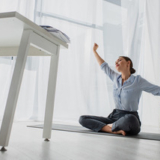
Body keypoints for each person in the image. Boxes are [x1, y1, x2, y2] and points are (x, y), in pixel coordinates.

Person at [79, 43, 160, 136]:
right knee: (82, 119)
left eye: (120, 60)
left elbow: (157, 90)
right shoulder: (115, 78)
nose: (116, 62)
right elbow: (104, 66)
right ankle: (112, 129)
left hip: (130, 118)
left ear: (128, 63)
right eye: (116, 61)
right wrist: (94, 51)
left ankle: (107, 127)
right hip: (114, 117)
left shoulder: (137, 81)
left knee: (131, 119)